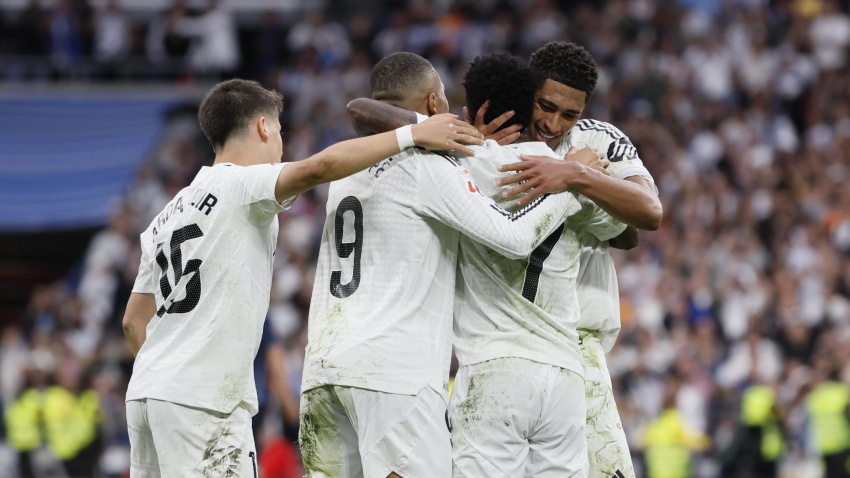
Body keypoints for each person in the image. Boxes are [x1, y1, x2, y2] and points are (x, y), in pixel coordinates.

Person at [120, 78, 483, 477]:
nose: (280, 142)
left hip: (146, 396)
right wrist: (412, 133)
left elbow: (133, 322)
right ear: (262, 126)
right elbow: (319, 167)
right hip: (203, 402)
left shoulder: (163, 217)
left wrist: (165, 375)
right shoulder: (240, 185)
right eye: (279, 129)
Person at [299, 52, 589, 478]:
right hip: (393, 376)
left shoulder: (350, 166)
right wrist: (570, 179)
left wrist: (475, 145)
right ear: (435, 105)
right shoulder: (427, 165)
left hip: (322, 371)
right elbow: (511, 238)